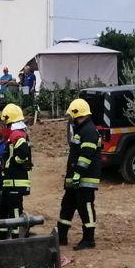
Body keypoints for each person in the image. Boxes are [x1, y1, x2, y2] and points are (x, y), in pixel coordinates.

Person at [58, 98, 101, 250]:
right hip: (76, 178)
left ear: (77, 114)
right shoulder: (82, 129)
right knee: (67, 206)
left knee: (85, 206)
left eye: (72, 116)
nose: (71, 119)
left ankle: (89, 239)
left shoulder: (89, 131)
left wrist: (77, 174)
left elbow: (86, 155)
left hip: (85, 179)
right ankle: (61, 236)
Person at [0, 102, 33, 240]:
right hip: (10, 181)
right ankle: (2, 236)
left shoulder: (17, 134)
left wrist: (11, 163)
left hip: (15, 181)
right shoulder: (16, 133)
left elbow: (22, 154)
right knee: (4, 209)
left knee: (14, 211)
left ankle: (16, 238)